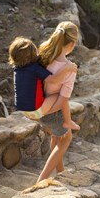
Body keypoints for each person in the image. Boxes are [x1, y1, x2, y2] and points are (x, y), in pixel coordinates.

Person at [35, 21, 81, 183]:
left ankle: (61, 172)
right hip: (51, 109)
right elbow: (63, 100)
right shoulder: (69, 68)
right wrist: (50, 112)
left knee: (57, 136)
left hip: (37, 103)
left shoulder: (43, 53)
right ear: (72, 44)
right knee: (66, 138)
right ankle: (42, 179)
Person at [8, 37, 78, 126]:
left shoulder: (16, 69)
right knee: (58, 95)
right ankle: (66, 121)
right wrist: (67, 69)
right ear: (33, 54)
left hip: (21, 110)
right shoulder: (35, 68)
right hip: (35, 111)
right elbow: (53, 79)